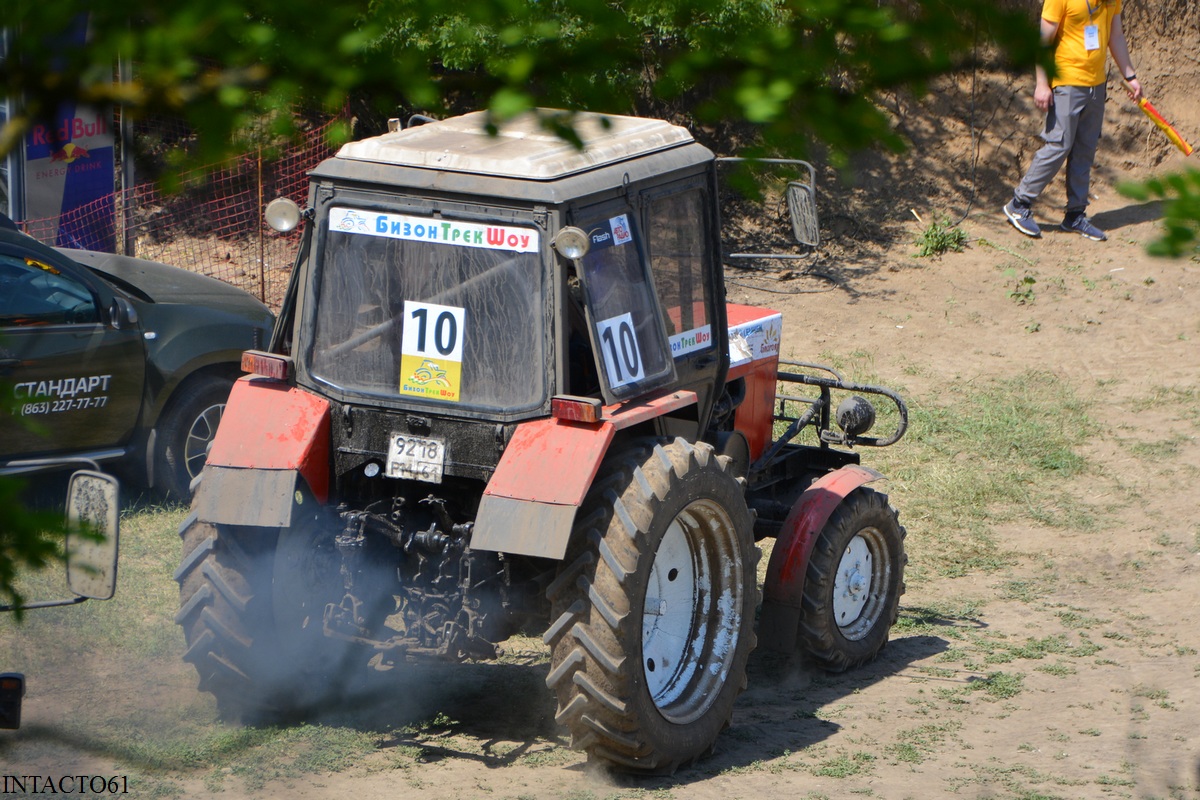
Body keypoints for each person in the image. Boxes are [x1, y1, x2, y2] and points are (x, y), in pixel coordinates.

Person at [1003, 0, 1142, 242]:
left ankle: (1075, 215)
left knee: (1085, 149)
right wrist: (1042, 83)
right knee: (1059, 144)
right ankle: (1019, 203)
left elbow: (1115, 35)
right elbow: (1044, 41)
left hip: (1096, 85)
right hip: (1066, 81)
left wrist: (1129, 75)